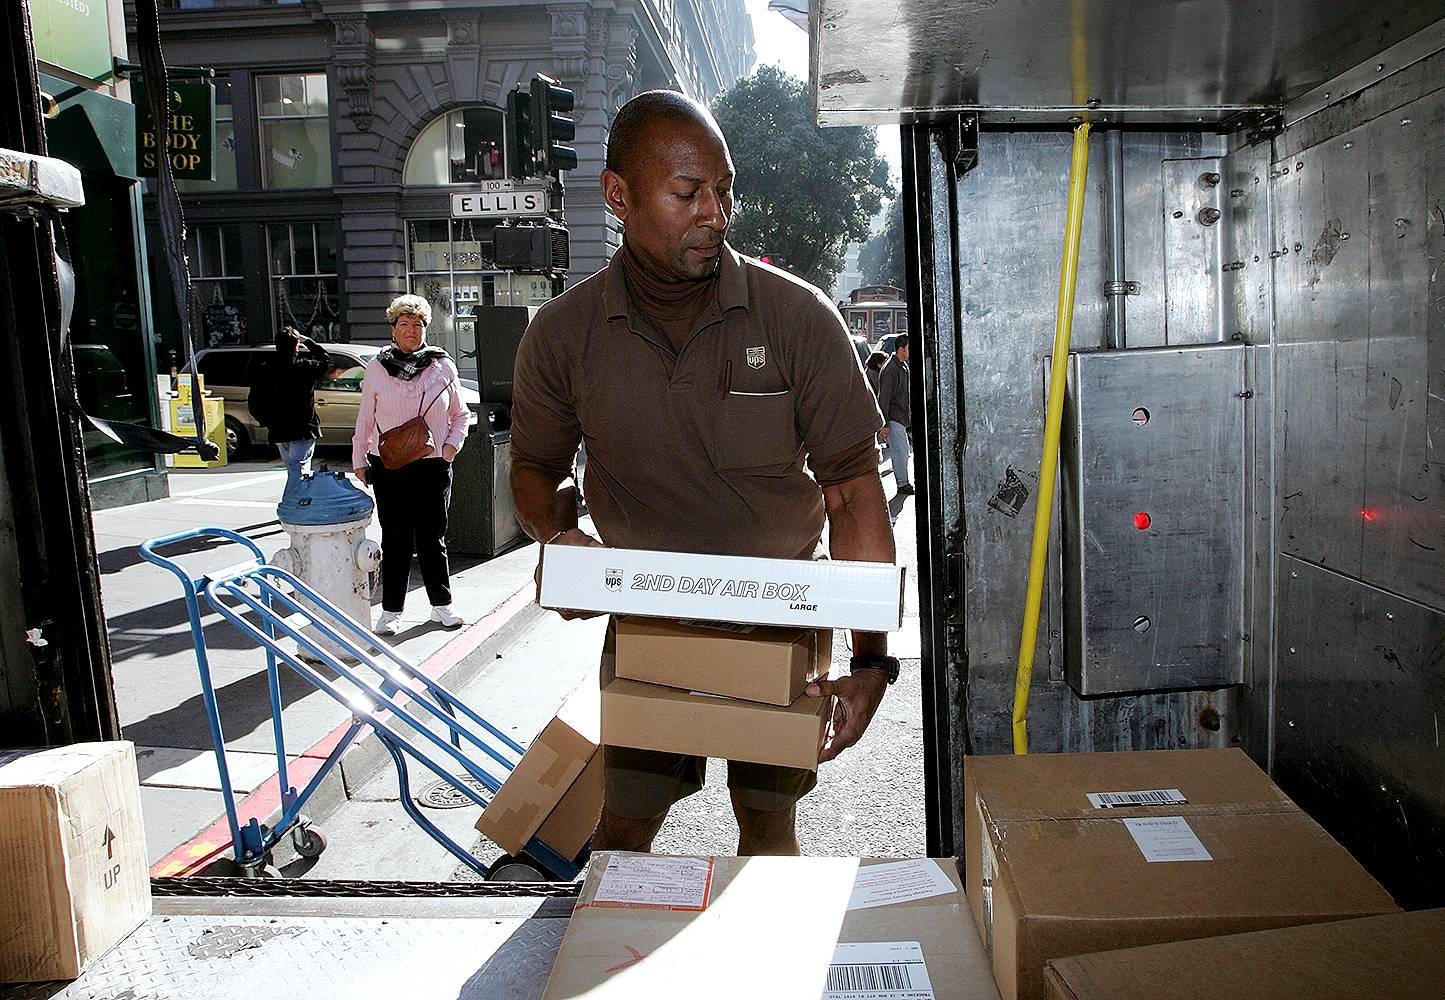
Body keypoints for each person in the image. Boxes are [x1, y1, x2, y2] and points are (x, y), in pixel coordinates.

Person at [509, 90, 898, 857]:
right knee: (626, 828)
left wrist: (872, 660)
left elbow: (853, 491)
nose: (716, 213)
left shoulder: (797, 317)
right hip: (650, 627)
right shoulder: (562, 336)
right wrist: (559, 536)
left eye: (724, 190)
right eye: (688, 193)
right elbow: (534, 468)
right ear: (617, 195)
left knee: (767, 826)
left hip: (779, 620)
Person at [352, 294, 470, 636]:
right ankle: (391, 611)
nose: (411, 330)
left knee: (433, 537)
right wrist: (360, 458)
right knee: (396, 539)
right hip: (389, 466)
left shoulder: (442, 366)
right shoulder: (377, 368)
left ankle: (441, 606)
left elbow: (460, 414)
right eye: (404, 324)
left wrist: (450, 448)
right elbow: (365, 419)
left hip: (433, 465)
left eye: (417, 324)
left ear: (425, 329)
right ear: (393, 329)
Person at [248, 324, 329, 496]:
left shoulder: (265, 369)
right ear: (296, 346)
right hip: (302, 428)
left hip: (278, 428)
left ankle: (297, 502)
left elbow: (254, 401)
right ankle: (290, 504)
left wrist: (266, 421)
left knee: (293, 468)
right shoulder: (304, 366)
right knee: (298, 469)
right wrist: (308, 341)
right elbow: (326, 361)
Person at [877, 335, 913, 495]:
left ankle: (903, 483)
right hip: (893, 417)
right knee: (901, 451)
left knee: (901, 451)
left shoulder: (901, 366)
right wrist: (884, 423)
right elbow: (883, 398)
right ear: (901, 349)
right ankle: (903, 484)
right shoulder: (891, 369)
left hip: (899, 416)